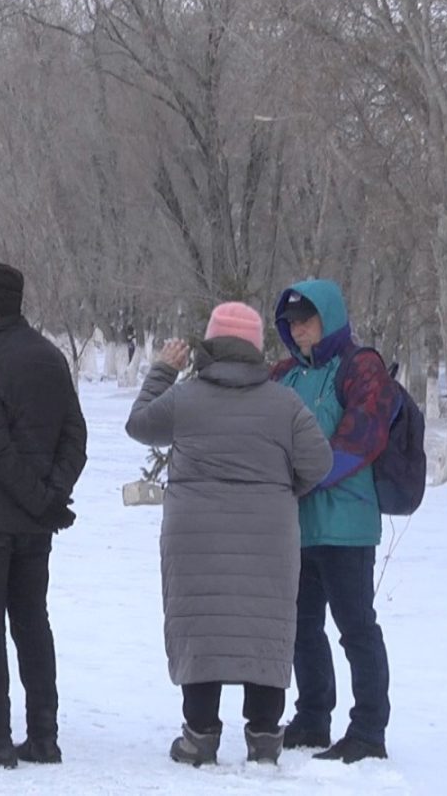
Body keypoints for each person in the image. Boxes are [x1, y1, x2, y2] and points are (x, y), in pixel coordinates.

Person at [124, 302, 332, 767]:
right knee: (266, 626)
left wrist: (161, 371)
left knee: (202, 623)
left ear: (210, 345)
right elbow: (319, 462)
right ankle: (263, 736)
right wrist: (280, 492)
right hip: (269, 532)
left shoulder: (187, 397)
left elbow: (140, 425)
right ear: (257, 349)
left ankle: (200, 735)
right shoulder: (284, 402)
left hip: (194, 530)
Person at [0, 263, 87, 775]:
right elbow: (75, 434)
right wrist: (51, 496)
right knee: (31, 622)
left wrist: (38, 499)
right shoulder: (50, 356)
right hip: (32, 522)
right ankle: (43, 735)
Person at [270, 279, 398, 764]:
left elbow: (364, 434)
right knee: (302, 627)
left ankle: (368, 728)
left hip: (346, 524)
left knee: (356, 628)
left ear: (330, 316)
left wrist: (305, 475)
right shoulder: (283, 374)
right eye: (291, 322)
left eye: (307, 319)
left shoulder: (361, 366)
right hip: (297, 525)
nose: (299, 329)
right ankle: (312, 717)